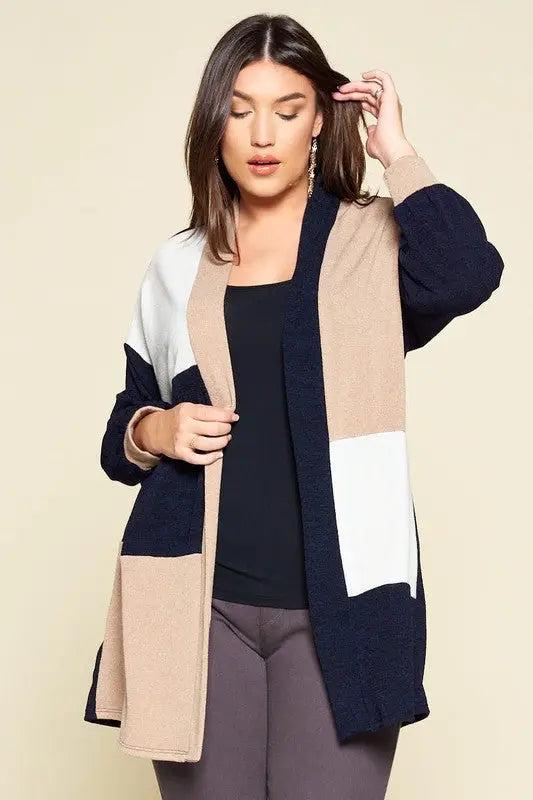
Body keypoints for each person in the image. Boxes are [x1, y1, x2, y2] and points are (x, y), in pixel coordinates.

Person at [83, 13, 504, 800]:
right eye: (240, 110)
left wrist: (397, 152)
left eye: (286, 109)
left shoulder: (368, 241)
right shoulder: (177, 264)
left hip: (345, 609)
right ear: (214, 123)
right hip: (198, 608)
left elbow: (465, 273)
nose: (261, 134)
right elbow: (121, 434)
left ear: (318, 119)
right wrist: (156, 428)